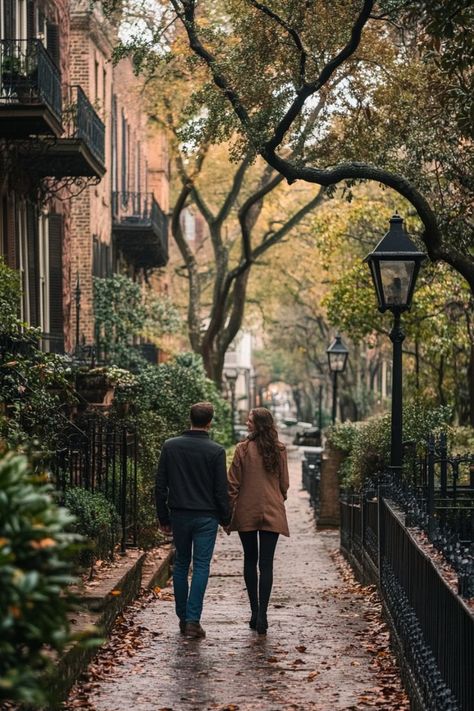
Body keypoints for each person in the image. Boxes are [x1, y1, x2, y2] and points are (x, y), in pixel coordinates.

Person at [155, 401, 231, 639]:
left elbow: (160, 486)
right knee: (200, 566)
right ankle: (192, 620)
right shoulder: (216, 451)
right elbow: (221, 490)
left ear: (190, 418)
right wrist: (226, 518)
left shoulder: (171, 446)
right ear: (209, 422)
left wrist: (162, 516)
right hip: (206, 517)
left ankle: (183, 617)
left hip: (179, 514)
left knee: (180, 564)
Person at [227, 407, 289, 635]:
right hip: (272, 510)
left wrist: (229, 510)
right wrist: (277, 496)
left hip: (247, 510)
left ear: (258, 424)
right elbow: (285, 485)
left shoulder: (242, 449)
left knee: (250, 560)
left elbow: (232, 483)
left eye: (250, 420)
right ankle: (263, 613)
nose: (246, 422)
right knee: (267, 563)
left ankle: (254, 612)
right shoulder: (279, 449)